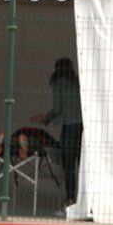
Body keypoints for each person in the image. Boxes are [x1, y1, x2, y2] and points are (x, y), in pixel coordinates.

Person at [32, 58, 83, 210]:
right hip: (81, 126)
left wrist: (47, 117)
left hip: (68, 127)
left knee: (68, 166)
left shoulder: (57, 83)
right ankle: (85, 200)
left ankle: (70, 200)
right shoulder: (77, 82)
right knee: (82, 165)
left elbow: (58, 108)